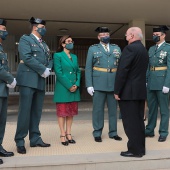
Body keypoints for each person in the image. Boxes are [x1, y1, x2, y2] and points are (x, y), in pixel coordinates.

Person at [15, 17, 53, 154]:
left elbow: (50, 59)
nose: (44, 29)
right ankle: (20, 140)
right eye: (42, 26)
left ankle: (35, 138)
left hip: (40, 81)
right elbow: (27, 57)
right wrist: (43, 70)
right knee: (25, 112)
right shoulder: (25, 39)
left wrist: (48, 68)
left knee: (36, 112)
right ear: (35, 27)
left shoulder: (44, 44)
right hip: (28, 79)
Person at [114, 27, 148, 157]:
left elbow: (123, 71)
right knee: (139, 121)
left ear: (132, 35)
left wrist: (117, 90)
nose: (126, 37)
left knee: (130, 122)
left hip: (129, 92)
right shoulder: (143, 49)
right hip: (139, 91)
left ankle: (134, 150)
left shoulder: (130, 48)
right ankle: (140, 149)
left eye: (127, 35)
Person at [85, 26, 122, 142]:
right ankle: (97, 132)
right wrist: (89, 84)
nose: (104, 36)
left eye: (106, 35)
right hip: (98, 83)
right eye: (102, 35)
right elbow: (88, 68)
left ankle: (113, 132)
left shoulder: (116, 48)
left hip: (113, 82)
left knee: (113, 109)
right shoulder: (93, 49)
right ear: (98, 37)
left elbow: (120, 67)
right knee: (98, 110)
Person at [53, 35, 81, 146]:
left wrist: (77, 84)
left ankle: (69, 133)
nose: (70, 43)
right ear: (63, 44)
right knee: (62, 113)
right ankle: (62, 134)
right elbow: (58, 73)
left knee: (71, 113)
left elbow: (78, 71)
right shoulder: (57, 55)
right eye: (68, 41)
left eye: (71, 41)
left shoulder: (74, 56)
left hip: (74, 88)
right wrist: (69, 86)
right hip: (63, 88)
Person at [145, 26, 170, 142]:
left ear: (164, 35)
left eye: (157, 34)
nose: (155, 36)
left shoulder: (168, 48)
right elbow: (148, 67)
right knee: (152, 108)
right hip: (151, 81)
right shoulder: (150, 49)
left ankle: (163, 132)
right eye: (154, 34)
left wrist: (167, 84)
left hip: (162, 81)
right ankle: (149, 130)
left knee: (164, 109)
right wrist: (146, 80)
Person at [0, 19, 17, 164]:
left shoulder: (1, 48)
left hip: (2, 90)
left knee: (1, 121)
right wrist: (10, 79)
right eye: (3, 29)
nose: (5, 32)